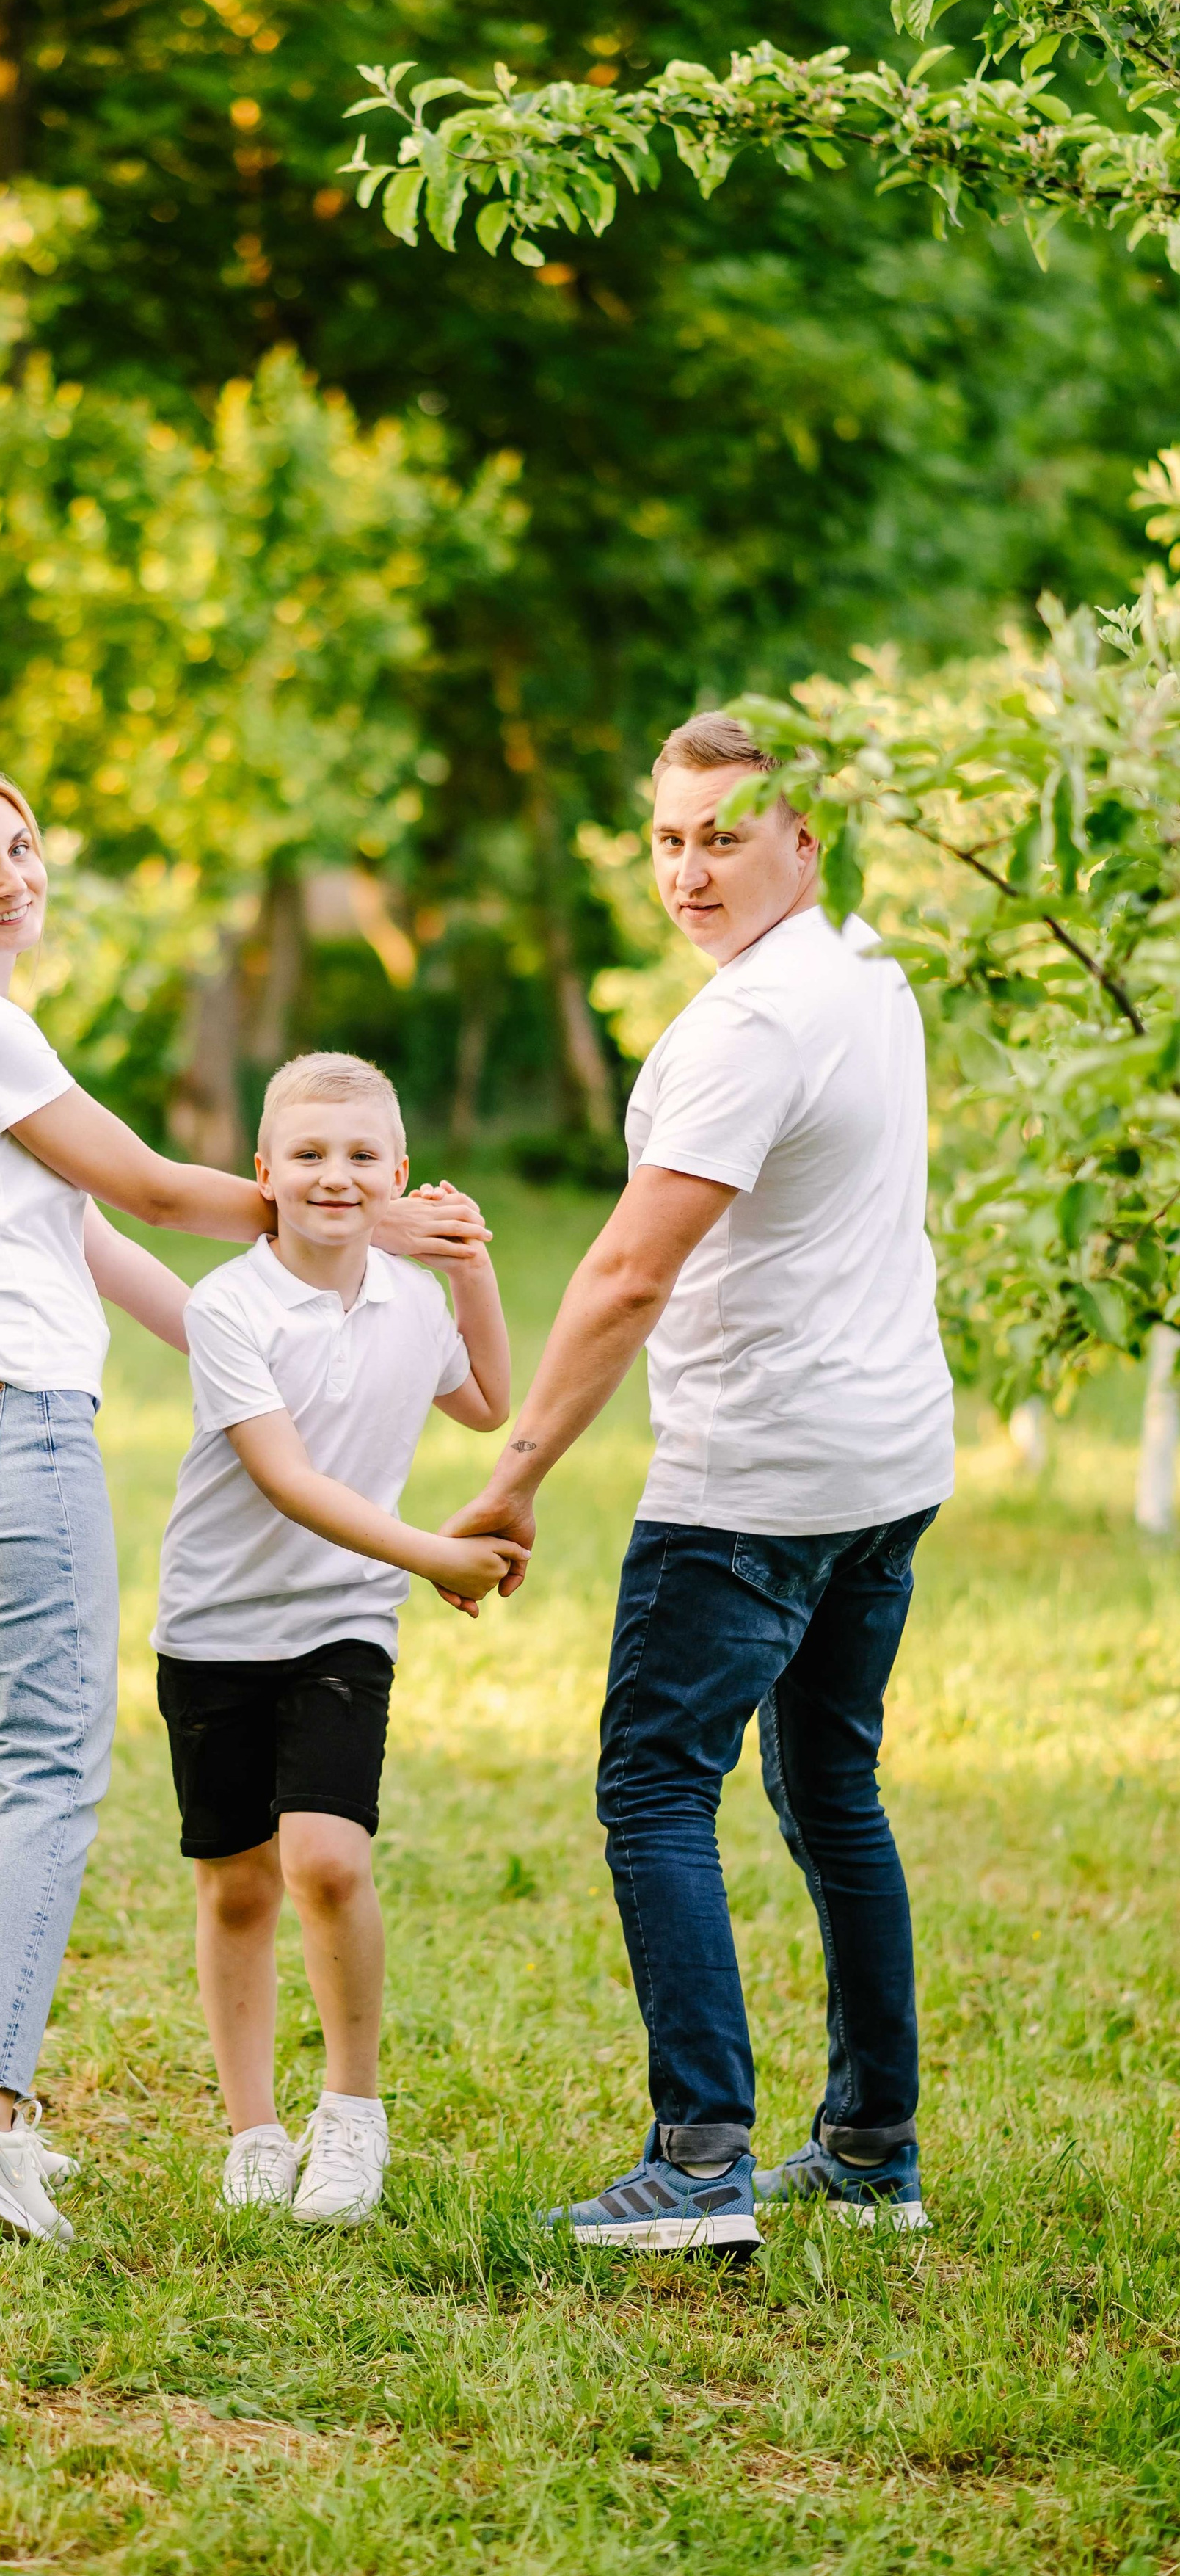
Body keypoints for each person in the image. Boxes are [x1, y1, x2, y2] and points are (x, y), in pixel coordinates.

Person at [0, 768, 489, 2246]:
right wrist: (344, 1212)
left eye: (21, 850)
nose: (10, 880)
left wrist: (246, 1341)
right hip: (7, 1439)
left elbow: (83, 1232)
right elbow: (149, 1183)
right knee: (43, 1774)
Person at [443, 711, 955, 2254]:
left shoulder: (748, 1028)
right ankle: (870, 2149)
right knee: (830, 1789)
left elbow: (619, 1276)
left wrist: (515, 1469)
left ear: (807, 836)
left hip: (756, 1477)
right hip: (885, 1461)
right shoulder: (864, 972)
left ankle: (696, 2157)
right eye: (666, 839)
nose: (687, 870)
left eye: (722, 836)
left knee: (653, 1786)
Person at [151, 1053, 520, 2227]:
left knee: (327, 1860)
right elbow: (288, 1481)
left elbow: (485, 1401)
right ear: (264, 1175)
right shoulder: (229, 1307)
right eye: (308, 1155)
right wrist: (434, 1553)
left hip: (343, 1622)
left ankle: (350, 2113)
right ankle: (253, 2131)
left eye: (362, 1156)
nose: (335, 1177)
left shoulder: (411, 1298)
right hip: (213, 1625)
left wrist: (472, 1271)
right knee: (239, 1886)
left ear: (399, 1175)